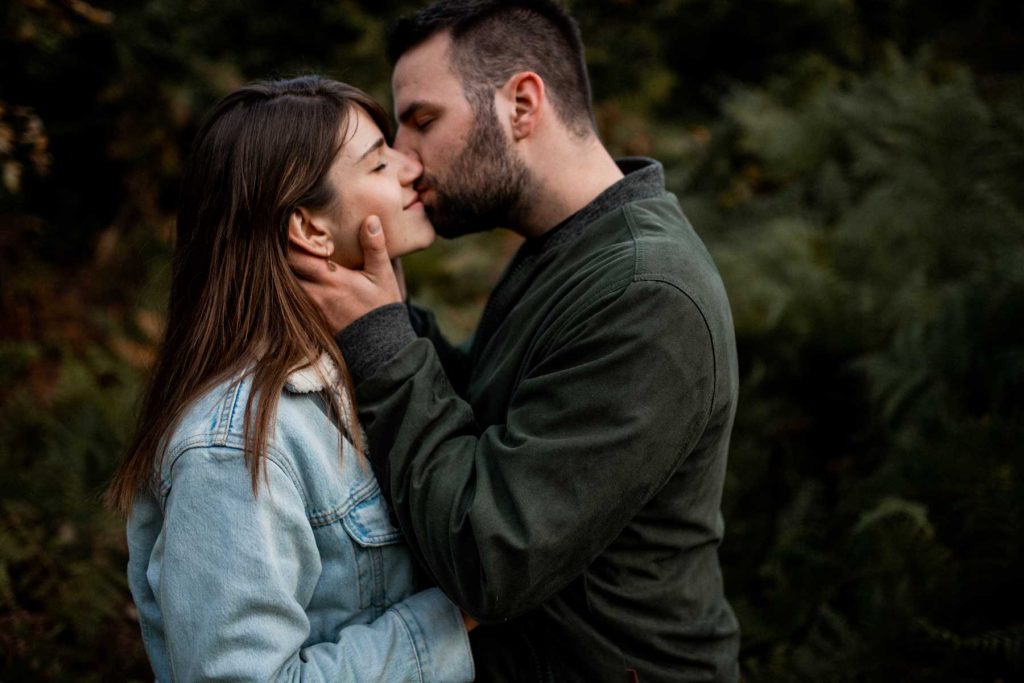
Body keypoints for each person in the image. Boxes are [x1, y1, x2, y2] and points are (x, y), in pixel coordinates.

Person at [291, 1, 742, 680]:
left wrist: (381, 341)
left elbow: (490, 557)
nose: (404, 162)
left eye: (422, 122)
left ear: (522, 105)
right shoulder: (569, 249)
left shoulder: (647, 293)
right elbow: (481, 417)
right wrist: (385, 312)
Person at [105, 76, 474, 682]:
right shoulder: (232, 447)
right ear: (310, 230)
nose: (412, 167)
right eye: (379, 162)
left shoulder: (358, 372)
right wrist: (450, 622)